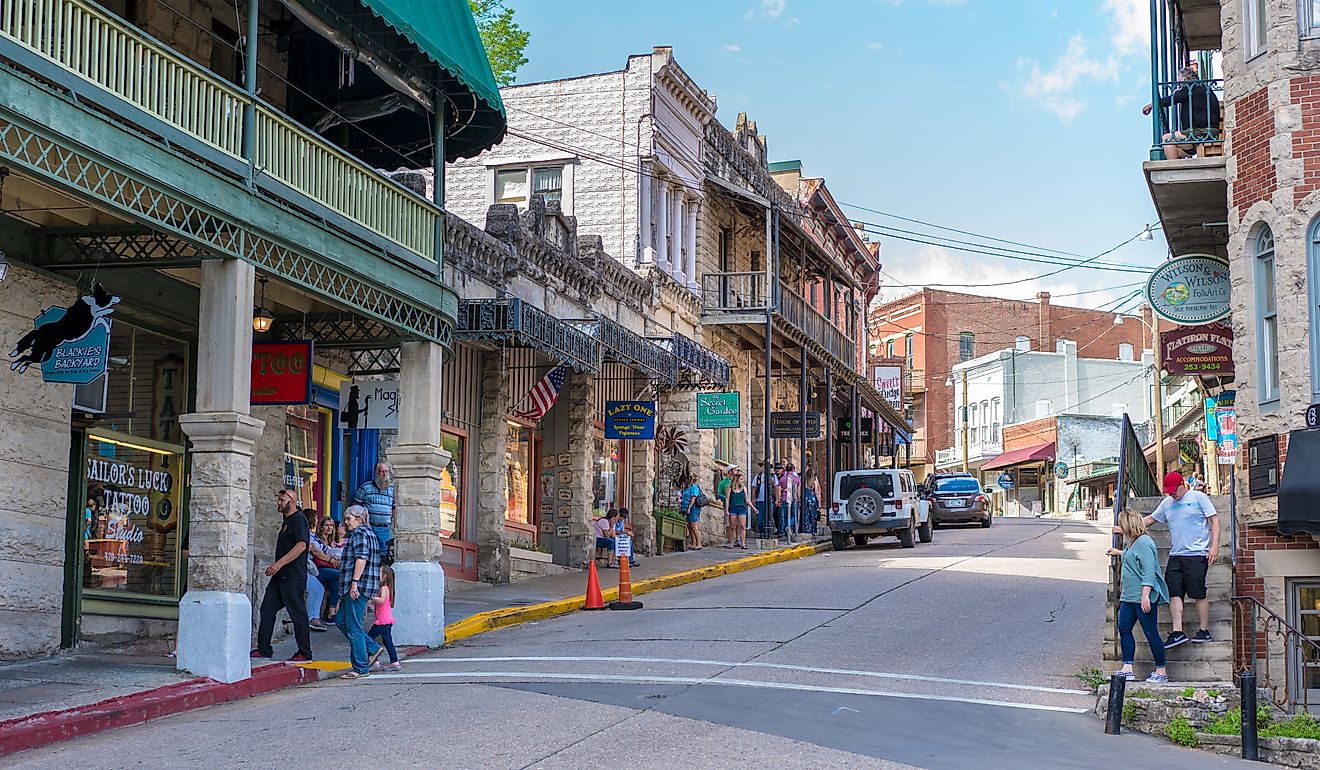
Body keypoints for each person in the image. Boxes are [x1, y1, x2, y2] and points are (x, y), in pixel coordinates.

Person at [1138, 471, 1221, 648]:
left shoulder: (1198, 497)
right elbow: (1151, 519)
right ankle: (1177, 632)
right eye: (1168, 492)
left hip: (1197, 554)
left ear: (1182, 485)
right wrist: (1127, 528)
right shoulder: (1167, 503)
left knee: (1198, 593)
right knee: (1174, 591)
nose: (1172, 495)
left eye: (1173, 491)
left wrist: (1214, 547)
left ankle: (1204, 630)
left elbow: (1215, 521)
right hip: (1176, 555)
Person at [1107, 509, 1171, 683]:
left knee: (1151, 632)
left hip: (1142, 596)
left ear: (1129, 525)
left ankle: (1161, 671)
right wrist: (1118, 552)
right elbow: (1132, 556)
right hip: (1129, 596)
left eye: (1122, 524)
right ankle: (1127, 668)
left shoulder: (1144, 542)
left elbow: (1148, 571)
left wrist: (1145, 596)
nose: (1120, 527)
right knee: (1124, 628)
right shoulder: (1132, 541)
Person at [252, 489, 313, 662]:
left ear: (291, 502)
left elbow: (301, 546)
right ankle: (264, 649)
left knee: (298, 613)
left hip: (293, 576)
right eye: (278, 499)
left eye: (282, 500)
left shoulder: (299, 519)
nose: (278, 503)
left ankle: (305, 652)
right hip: (280, 577)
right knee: (267, 609)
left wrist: (278, 564)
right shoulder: (287, 521)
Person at [336, 505, 383, 679]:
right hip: (360, 585)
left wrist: (354, 583)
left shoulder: (360, 534)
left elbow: (361, 558)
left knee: (354, 627)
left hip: (357, 586)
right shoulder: (369, 534)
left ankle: (360, 668)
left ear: (359, 519)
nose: (346, 522)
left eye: (349, 518)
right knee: (341, 620)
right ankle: (372, 647)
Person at [1142, 65, 1220, 160]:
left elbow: (1173, 99)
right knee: (1172, 148)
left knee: (1167, 139)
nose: (1179, 85)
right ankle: (1174, 167)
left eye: (1179, 81)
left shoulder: (1190, 87)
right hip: (1203, 133)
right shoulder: (1204, 88)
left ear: (1184, 79)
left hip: (1202, 133)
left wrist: (1153, 104)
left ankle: (1172, 169)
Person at [354, 462, 395, 553]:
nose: (384, 474)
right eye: (382, 471)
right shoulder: (365, 487)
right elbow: (355, 507)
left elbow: (394, 508)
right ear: (376, 473)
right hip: (368, 527)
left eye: (386, 472)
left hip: (384, 529)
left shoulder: (392, 489)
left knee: (383, 554)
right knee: (366, 553)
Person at [309, 514, 342, 626]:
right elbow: (316, 552)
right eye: (326, 525)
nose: (329, 528)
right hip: (319, 569)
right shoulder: (315, 539)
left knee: (336, 584)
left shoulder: (331, 542)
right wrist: (330, 559)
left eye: (331, 525)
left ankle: (331, 614)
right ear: (321, 527)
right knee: (342, 575)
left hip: (329, 569)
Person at [367, 564, 400, 672]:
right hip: (386, 620)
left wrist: (371, 596)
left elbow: (381, 600)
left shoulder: (384, 588)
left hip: (382, 621)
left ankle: (373, 659)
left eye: (379, 573)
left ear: (384, 576)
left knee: (368, 639)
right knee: (387, 641)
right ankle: (394, 661)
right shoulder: (386, 588)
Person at [301, 508, 327, 632]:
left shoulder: (311, 535)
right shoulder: (307, 534)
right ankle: (312, 618)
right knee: (317, 589)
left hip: (310, 567)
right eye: (316, 518)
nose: (317, 520)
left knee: (319, 588)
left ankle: (314, 617)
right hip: (305, 566)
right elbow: (314, 550)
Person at [723, 468, 749, 549]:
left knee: (742, 526)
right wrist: (726, 510)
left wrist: (754, 508)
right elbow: (727, 499)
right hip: (733, 508)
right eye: (741, 479)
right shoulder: (729, 488)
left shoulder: (744, 488)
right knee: (732, 527)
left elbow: (747, 499)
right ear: (736, 480)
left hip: (742, 508)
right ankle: (731, 543)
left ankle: (743, 543)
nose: (742, 481)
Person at [778, 460, 801, 541]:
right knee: (794, 516)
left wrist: (779, 500)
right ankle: (788, 526)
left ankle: (787, 529)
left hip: (784, 499)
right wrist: (799, 499)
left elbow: (779, 490)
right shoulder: (797, 479)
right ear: (793, 469)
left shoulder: (782, 479)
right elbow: (798, 491)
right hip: (794, 499)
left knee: (785, 516)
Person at [680, 472, 703, 551]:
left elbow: (693, 498)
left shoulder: (694, 487)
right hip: (686, 508)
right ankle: (693, 543)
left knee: (694, 526)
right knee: (689, 527)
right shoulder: (686, 488)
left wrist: (689, 508)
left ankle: (699, 544)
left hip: (693, 508)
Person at [802, 465, 820, 536]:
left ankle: (807, 529)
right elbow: (816, 492)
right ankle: (813, 530)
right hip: (812, 499)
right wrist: (819, 501)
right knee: (813, 516)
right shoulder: (814, 482)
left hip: (806, 498)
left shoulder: (804, 481)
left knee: (806, 515)